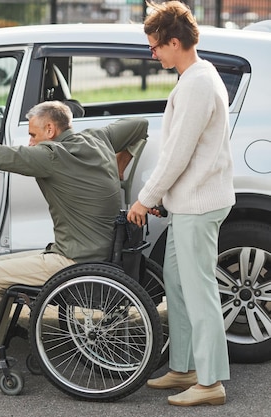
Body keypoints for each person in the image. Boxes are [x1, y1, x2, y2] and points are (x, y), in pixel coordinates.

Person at [0, 100, 148, 387]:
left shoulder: (50, 155)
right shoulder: (98, 138)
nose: (30, 141)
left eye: (33, 135)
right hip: (102, 252)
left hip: (75, 260)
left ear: (50, 129)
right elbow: (139, 126)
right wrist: (120, 164)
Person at [127, 1, 235, 407]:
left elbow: (178, 154)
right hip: (189, 201)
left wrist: (145, 198)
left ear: (175, 41)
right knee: (178, 283)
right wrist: (164, 198)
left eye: (156, 47)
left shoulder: (197, 84)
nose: (153, 54)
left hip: (198, 204)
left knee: (199, 289)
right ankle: (185, 367)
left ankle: (210, 383)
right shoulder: (197, 78)